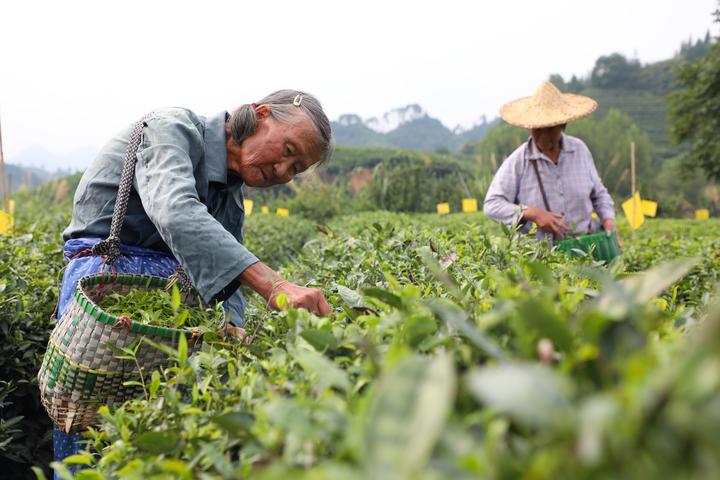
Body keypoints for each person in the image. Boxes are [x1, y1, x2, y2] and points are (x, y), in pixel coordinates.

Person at [52, 89, 333, 475]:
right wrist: (275, 285)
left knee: (146, 436)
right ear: (261, 113)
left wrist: (233, 329)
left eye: (296, 169)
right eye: (287, 150)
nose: (284, 172)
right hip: (106, 283)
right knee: (87, 431)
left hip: (165, 303)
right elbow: (175, 209)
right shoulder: (174, 128)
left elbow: (229, 273)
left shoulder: (230, 198)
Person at [483, 81, 620, 246]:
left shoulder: (579, 150)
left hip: (586, 248)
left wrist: (608, 220)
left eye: (549, 129)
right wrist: (532, 213)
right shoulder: (519, 161)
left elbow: (599, 194)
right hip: (541, 256)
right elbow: (492, 205)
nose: (543, 135)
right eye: (537, 129)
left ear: (562, 125)